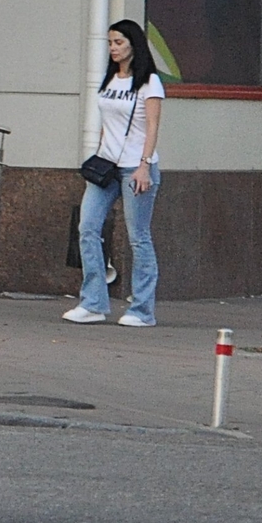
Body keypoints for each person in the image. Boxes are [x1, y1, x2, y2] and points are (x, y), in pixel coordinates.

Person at [65, 19, 163, 328]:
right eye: (110, 43)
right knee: (88, 228)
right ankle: (93, 302)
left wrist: (145, 166)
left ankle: (142, 310)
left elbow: (152, 126)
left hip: (136, 167)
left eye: (119, 42)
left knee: (138, 237)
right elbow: (109, 124)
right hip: (107, 166)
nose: (113, 49)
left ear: (134, 45)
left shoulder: (149, 82)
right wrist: (98, 153)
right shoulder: (110, 80)